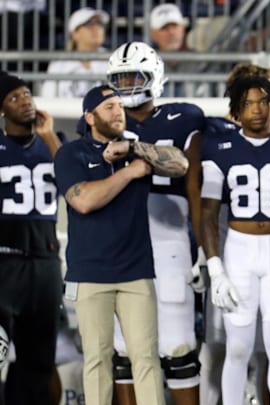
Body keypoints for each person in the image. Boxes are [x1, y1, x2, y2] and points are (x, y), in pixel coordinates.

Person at [53, 84, 189, 405]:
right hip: (89, 273)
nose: (118, 112)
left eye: (119, 105)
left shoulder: (135, 149)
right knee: (98, 360)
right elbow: (84, 201)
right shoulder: (71, 153)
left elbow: (180, 165)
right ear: (90, 117)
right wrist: (130, 174)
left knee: (146, 358)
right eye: (109, 107)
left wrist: (134, 150)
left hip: (136, 271)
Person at [105, 41, 206, 405]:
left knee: (177, 344)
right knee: (122, 348)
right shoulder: (105, 116)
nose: (129, 85)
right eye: (122, 78)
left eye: (136, 76)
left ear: (155, 75)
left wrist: (203, 249)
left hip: (169, 231)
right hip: (120, 231)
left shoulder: (186, 116)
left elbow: (194, 184)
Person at [199, 74, 270, 405]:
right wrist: (215, 269)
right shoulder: (219, 147)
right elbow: (207, 212)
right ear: (235, 111)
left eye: (264, 101)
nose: (258, 110)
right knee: (237, 346)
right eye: (248, 103)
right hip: (239, 250)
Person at [0, 74, 64, 404]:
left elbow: (74, 185)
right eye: (14, 97)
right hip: (4, 265)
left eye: (26, 94)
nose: (25, 100)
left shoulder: (54, 142)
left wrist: (50, 136)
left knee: (39, 362)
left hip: (44, 263)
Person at [40, 7, 109, 98]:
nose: (96, 28)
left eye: (99, 24)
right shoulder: (59, 64)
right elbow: (48, 97)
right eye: (89, 24)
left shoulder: (113, 59)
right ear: (75, 33)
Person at [149, 3, 195, 97]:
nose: (171, 32)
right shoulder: (147, 62)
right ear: (153, 34)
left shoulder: (199, 60)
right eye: (164, 28)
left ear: (183, 29)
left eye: (175, 26)